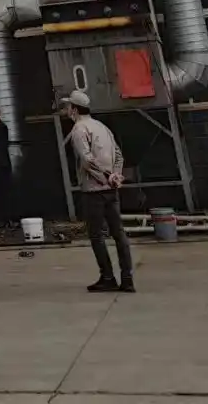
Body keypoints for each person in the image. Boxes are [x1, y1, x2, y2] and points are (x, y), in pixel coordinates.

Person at [62, 89, 135, 293]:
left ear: (75, 109)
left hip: (93, 190)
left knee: (96, 235)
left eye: (68, 106)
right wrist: (116, 176)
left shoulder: (79, 129)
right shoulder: (102, 127)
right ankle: (127, 278)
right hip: (112, 190)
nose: (67, 110)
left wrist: (105, 177)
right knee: (118, 233)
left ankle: (108, 277)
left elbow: (86, 161)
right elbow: (118, 154)